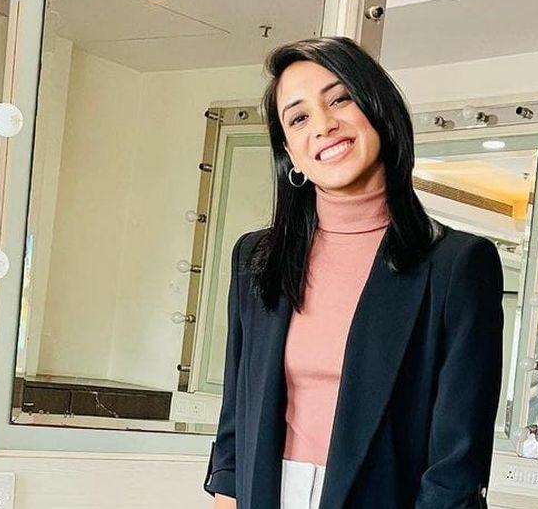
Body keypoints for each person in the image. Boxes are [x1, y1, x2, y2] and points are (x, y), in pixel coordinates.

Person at [204, 37, 504, 508]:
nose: (323, 126)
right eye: (298, 118)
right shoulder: (256, 258)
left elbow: (456, 465)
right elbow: (235, 419)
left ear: (377, 109)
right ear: (290, 153)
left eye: (340, 99)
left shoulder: (458, 265)